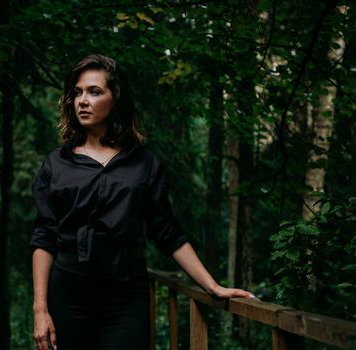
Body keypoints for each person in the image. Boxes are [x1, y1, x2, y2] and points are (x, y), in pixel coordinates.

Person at [30, 54, 255, 350]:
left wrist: (212, 286)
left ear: (116, 99)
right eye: (77, 92)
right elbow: (45, 237)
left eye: (94, 92)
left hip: (126, 298)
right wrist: (40, 309)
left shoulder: (144, 164)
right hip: (69, 295)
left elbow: (166, 231)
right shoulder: (56, 164)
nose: (82, 100)